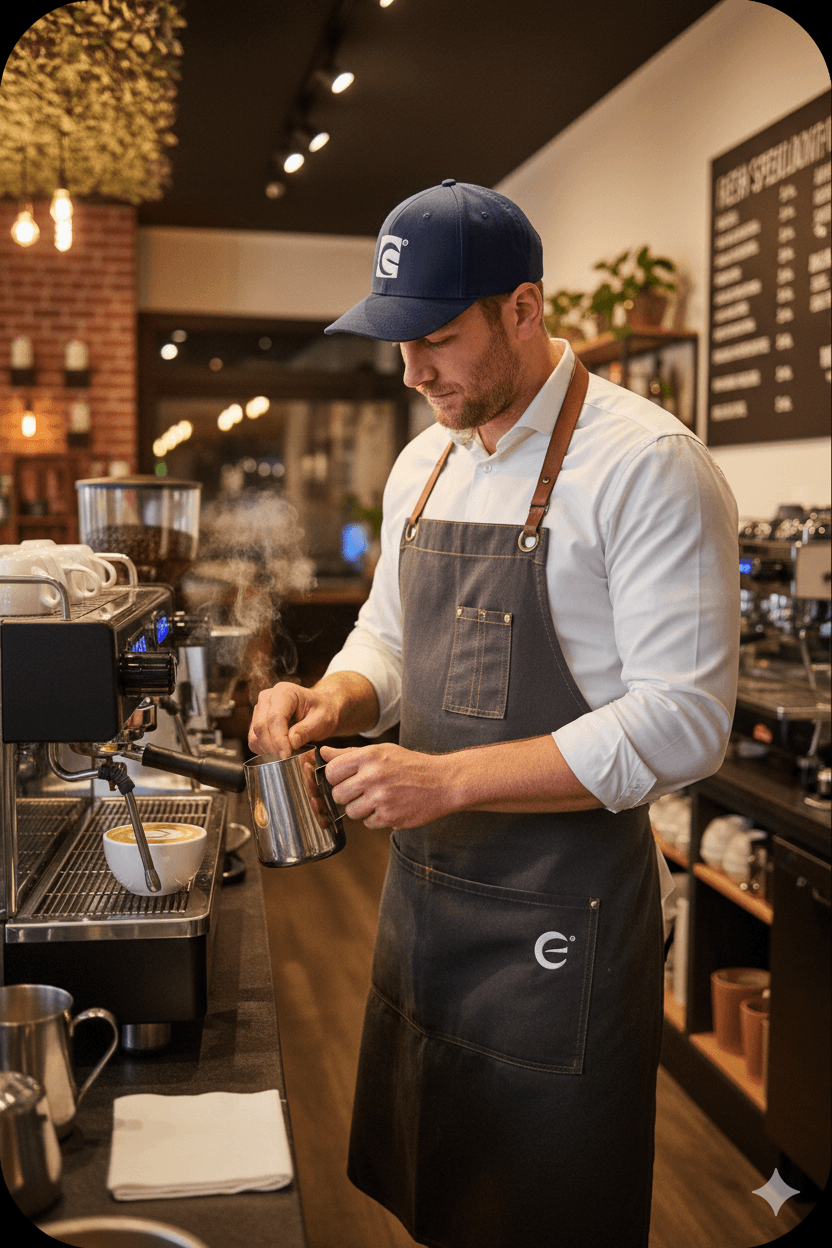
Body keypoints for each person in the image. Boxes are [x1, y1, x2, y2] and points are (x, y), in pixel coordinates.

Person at [249, 180, 740, 1248]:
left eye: (438, 338)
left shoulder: (645, 467)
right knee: (441, 1188)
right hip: (427, 907)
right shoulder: (425, 459)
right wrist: (335, 695)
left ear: (524, 309)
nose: (415, 372)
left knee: (549, 1208)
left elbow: (684, 720)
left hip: (566, 920)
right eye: (398, 345)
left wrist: (448, 779)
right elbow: (386, 636)